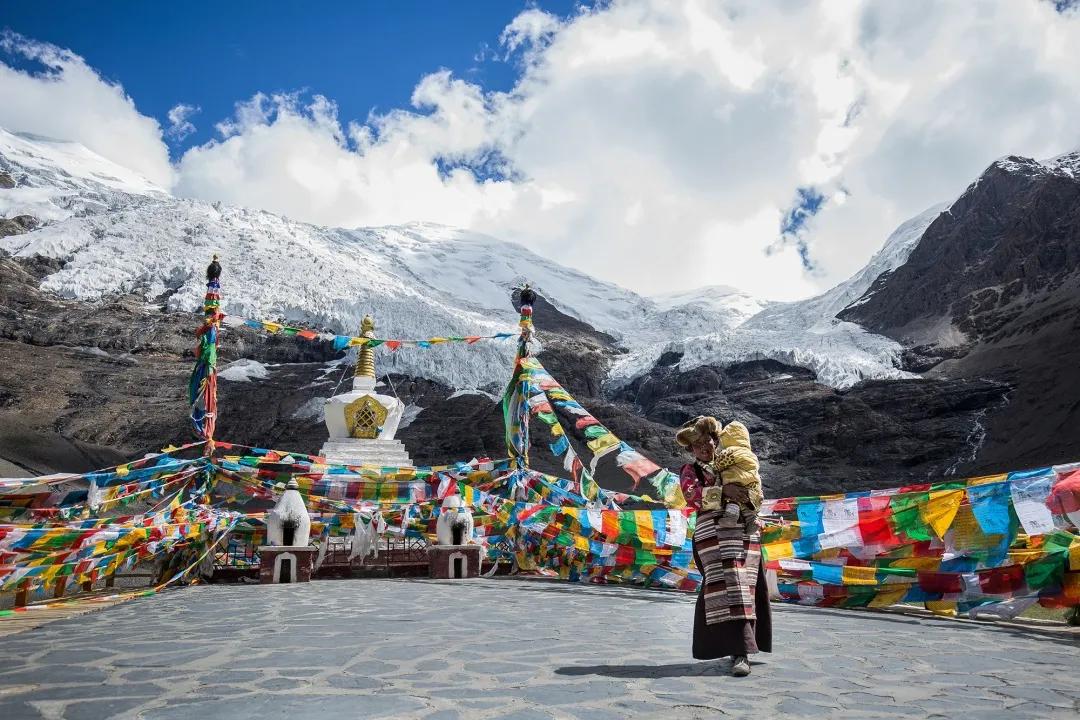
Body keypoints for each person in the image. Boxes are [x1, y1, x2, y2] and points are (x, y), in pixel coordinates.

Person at [676, 416, 772, 677]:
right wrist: (725, 490)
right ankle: (739, 651)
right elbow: (693, 497)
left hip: (744, 532)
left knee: (748, 584)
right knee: (728, 586)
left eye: (708, 441)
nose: (704, 447)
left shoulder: (733, 460)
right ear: (691, 449)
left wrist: (747, 497)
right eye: (697, 444)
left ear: (715, 441)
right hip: (713, 536)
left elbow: (753, 484)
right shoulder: (690, 472)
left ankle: (747, 645)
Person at [713, 421, 764, 535]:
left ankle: (731, 518)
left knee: (733, 501)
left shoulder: (730, 451)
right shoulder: (751, 454)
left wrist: (715, 466)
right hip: (752, 486)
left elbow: (720, 462)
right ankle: (752, 522)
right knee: (748, 507)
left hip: (737, 481)